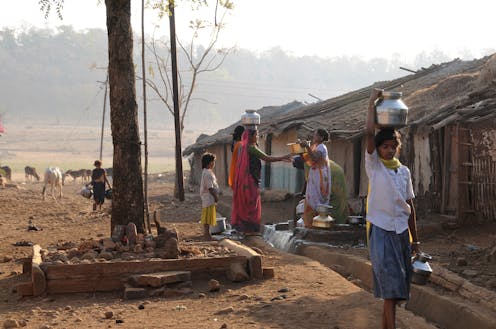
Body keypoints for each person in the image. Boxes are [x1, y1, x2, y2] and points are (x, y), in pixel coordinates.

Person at [365, 89, 420, 329]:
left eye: (391, 146)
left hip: (401, 237)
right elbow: (368, 133)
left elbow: (410, 206)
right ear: (377, 149)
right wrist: (370, 105)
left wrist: (416, 241)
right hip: (381, 232)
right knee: (390, 290)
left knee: (397, 292)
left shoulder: (404, 171)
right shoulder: (375, 167)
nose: (387, 150)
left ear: (397, 148)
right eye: (383, 146)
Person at [231, 128, 291, 235]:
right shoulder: (251, 148)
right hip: (250, 180)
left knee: (246, 203)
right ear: (250, 136)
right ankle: (249, 230)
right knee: (252, 204)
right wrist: (283, 157)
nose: (257, 137)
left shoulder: (242, 147)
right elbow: (266, 158)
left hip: (245, 180)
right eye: (256, 135)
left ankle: (244, 229)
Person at [299, 128, 332, 228]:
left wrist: (307, 147)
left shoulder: (322, 147)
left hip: (320, 177)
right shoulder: (315, 146)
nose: (314, 137)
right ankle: (310, 223)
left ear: (321, 137)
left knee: (317, 199)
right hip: (314, 175)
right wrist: (301, 149)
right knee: (311, 198)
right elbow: (308, 159)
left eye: (316, 135)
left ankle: (317, 222)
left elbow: (314, 158)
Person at [200, 153, 219, 240]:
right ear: (210, 162)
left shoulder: (208, 172)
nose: (214, 164)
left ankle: (207, 234)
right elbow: (210, 187)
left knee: (208, 216)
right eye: (213, 162)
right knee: (207, 217)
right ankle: (207, 234)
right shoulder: (207, 173)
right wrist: (216, 197)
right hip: (208, 197)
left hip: (208, 198)